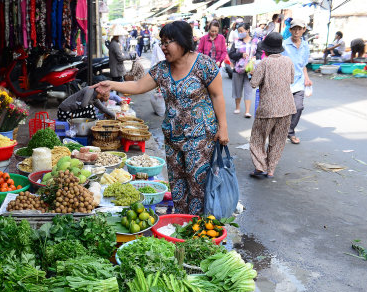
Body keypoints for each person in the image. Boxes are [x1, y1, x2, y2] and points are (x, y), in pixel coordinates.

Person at [94, 21, 229, 215]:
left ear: (183, 41)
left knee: (198, 187)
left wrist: (223, 127)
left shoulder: (204, 65)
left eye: (168, 42)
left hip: (200, 138)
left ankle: (197, 230)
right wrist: (111, 84)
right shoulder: (162, 69)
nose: (163, 47)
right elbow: (139, 86)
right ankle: (181, 224)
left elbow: (217, 95)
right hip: (173, 137)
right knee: (178, 186)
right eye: (162, 42)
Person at [248, 33, 296, 179]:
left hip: (268, 108)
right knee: (278, 140)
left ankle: (260, 166)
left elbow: (253, 83)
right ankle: (271, 169)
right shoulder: (288, 61)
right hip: (287, 107)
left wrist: (253, 73)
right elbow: (292, 80)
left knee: (257, 139)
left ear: (266, 50)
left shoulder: (264, 63)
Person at [282, 18, 312, 144]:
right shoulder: (284, 44)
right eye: (294, 29)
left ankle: (290, 131)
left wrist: (307, 78)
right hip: (284, 81)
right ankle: (280, 132)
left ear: (303, 30)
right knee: (284, 109)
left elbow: (303, 64)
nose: (296, 31)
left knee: (298, 107)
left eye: (299, 29)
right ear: (290, 30)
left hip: (299, 81)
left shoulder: (305, 45)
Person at [229, 23, 257, 117]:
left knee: (248, 90)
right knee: (237, 89)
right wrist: (241, 55)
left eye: (242, 31)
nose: (240, 33)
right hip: (238, 69)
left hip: (250, 71)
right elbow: (231, 54)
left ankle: (247, 111)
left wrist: (254, 61)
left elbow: (260, 54)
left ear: (247, 30)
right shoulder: (236, 42)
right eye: (239, 31)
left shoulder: (255, 41)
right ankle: (237, 107)